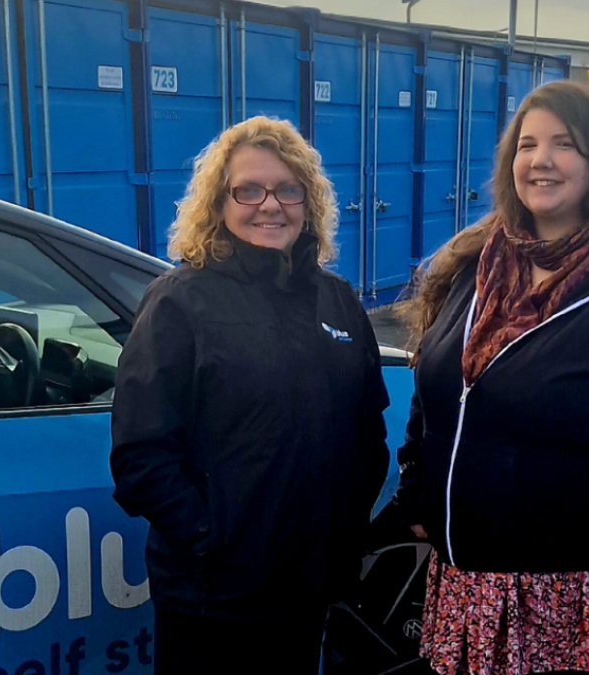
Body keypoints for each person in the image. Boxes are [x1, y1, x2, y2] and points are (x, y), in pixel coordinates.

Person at [394, 81, 589, 675]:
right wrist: (416, 488)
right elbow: (439, 385)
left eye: (564, 144)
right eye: (527, 145)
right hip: (466, 588)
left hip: (570, 598)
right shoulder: (478, 266)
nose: (540, 160)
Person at [110, 116, 389, 674]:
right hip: (212, 599)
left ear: (308, 202)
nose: (270, 206)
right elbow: (141, 454)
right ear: (219, 203)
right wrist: (211, 540)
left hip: (308, 590)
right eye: (249, 191)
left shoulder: (337, 301)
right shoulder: (179, 303)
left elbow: (366, 434)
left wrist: (342, 535)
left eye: (288, 190)